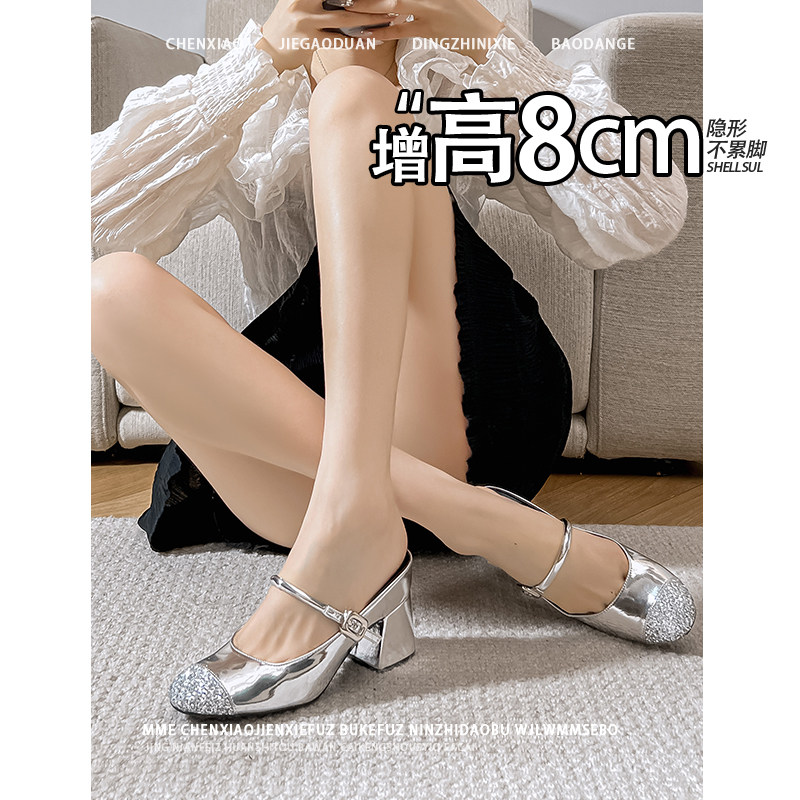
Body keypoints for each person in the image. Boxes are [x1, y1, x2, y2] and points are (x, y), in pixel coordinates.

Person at [91, 0, 696, 718]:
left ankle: (360, 527)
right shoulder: (258, 94)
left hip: (467, 409)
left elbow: (651, 211)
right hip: (296, 455)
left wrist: (483, 38)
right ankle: (473, 525)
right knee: (103, 292)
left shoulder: (451, 74)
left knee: (359, 100)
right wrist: (257, 64)